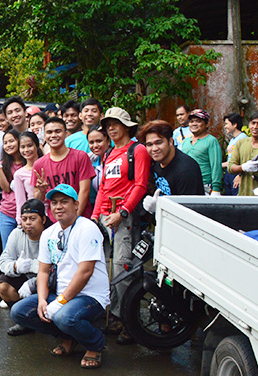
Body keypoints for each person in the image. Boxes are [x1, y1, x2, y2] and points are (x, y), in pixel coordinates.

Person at [10, 184, 109, 369]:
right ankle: (67, 336)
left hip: (90, 296)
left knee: (64, 317)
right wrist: (41, 300)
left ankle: (95, 344)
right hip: (62, 294)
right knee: (19, 312)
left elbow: (85, 271)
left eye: (64, 202)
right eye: (54, 203)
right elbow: (43, 270)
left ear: (76, 204)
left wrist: (61, 301)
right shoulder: (49, 233)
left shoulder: (88, 228)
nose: (58, 207)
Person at [90, 107, 149, 342]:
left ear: (126, 125)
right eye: (107, 125)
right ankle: (114, 316)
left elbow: (140, 185)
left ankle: (130, 322)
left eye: (115, 124)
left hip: (126, 218)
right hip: (106, 217)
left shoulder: (138, 150)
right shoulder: (108, 154)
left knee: (123, 269)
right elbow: (103, 187)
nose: (111, 129)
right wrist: (96, 216)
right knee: (105, 268)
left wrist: (123, 212)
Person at [31, 117, 96, 221]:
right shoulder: (39, 164)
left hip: (81, 219)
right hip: (55, 222)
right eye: (49, 132)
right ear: (44, 136)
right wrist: (41, 191)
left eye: (58, 131)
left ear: (66, 134)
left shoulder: (80, 157)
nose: (53, 135)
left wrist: (75, 219)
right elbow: (38, 199)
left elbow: (84, 190)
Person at [0, 199, 47, 336]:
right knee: (4, 287)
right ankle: (24, 320)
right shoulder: (16, 233)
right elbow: (3, 261)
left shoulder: (52, 234)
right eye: (24, 219)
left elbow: (56, 269)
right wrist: (15, 267)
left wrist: (32, 270)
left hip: (46, 279)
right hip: (23, 275)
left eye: (33, 218)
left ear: (43, 219)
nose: (28, 223)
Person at [138, 121, 204, 215]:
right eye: (149, 144)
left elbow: (187, 213)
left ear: (170, 141)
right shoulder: (156, 162)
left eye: (159, 142)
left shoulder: (185, 170)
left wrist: (158, 208)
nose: (154, 148)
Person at [180, 109, 223, 195]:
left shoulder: (211, 141)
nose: (194, 124)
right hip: (186, 184)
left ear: (207, 124)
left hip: (204, 186)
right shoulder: (185, 141)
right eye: (191, 121)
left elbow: (216, 165)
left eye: (198, 121)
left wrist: (216, 188)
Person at [0, 130, 24, 246]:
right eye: (5, 143)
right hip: (6, 212)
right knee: (7, 249)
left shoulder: (28, 161)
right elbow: (6, 189)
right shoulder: (4, 164)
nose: (8, 145)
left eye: (11, 141)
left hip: (25, 213)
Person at [12, 131, 44, 225]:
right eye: (22, 147)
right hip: (33, 217)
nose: (26, 150)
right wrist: (20, 222)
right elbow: (20, 201)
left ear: (37, 146)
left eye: (30, 145)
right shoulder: (19, 174)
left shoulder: (48, 166)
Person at [221, 113, 247, 196]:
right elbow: (230, 159)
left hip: (237, 173)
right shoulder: (233, 139)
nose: (225, 127)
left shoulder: (243, 138)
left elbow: (245, 159)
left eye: (226, 124)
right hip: (229, 172)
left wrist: (240, 175)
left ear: (235, 124)